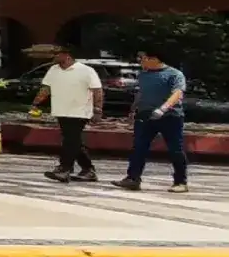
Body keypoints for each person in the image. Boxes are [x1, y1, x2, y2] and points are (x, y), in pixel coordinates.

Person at [114, 49, 189, 193]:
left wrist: (163, 109)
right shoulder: (144, 75)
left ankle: (180, 181)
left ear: (154, 59)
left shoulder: (174, 74)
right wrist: (133, 109)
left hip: (170, 116)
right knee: (138, 147)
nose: (140, 62)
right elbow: (141, 92)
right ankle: (133, 178)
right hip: (145, 115)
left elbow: (178, 93)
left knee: (175, 149)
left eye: (142, 59)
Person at [29, 46, 101, 183]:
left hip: (80, 111)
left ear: (67, 55)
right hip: (61, 110)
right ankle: (88, 169)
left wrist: (98, 109)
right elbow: (46, 88)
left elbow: (97, 90)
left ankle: (65, 168)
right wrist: (36, 102)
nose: (54, 56)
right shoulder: (53, 70)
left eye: (56, 54)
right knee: (74, 141)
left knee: (70, 140)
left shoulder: (86, 71)